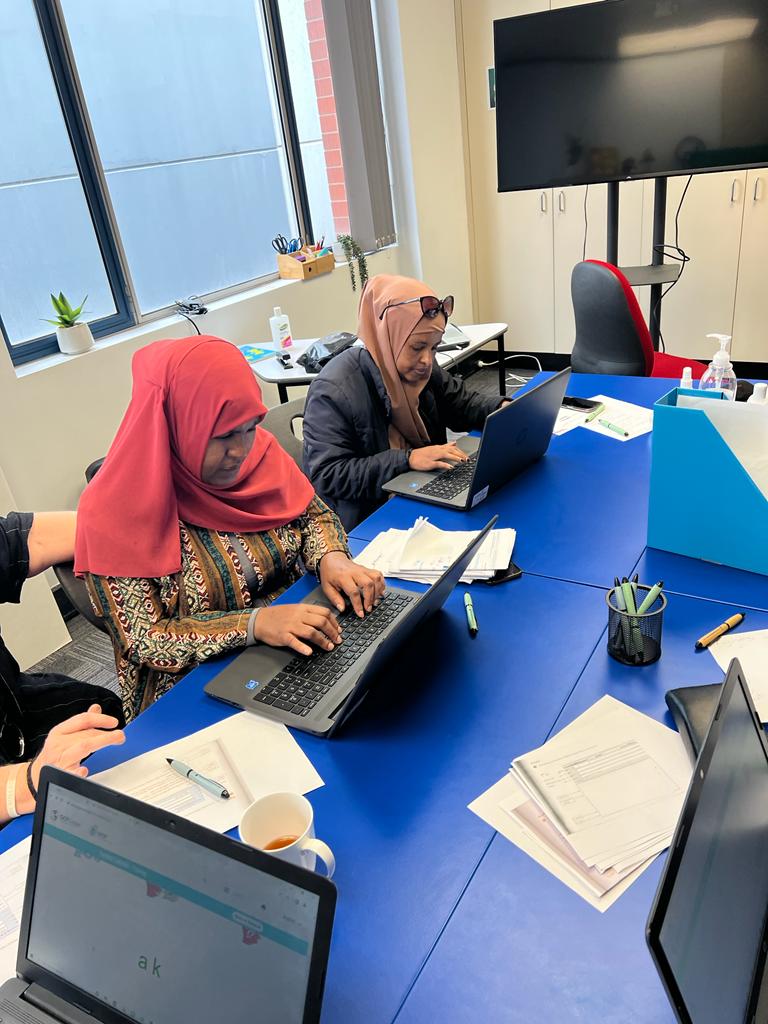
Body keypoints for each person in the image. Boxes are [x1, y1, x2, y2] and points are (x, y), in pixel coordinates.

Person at [75, 335, 385, 723]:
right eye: (222, 436)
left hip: (297, 640)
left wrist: (332, 557)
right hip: (195, 687)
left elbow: (314, 516)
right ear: (177, 424)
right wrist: (254, 625)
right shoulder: (113, 510)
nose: (241, 450)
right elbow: (144, 639)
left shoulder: (260, 453)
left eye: (250, 427)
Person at [302, 274, 506, 529]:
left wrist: (502, 409)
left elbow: (462, 404)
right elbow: (328, 475)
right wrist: (406, 460)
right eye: (417, 347)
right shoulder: (333, 391)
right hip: (367, 520)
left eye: (434, 348)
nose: (427, 361)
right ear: (388, 336)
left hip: (420, 495)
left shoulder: (421, 372)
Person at [0, 511, 125, 824]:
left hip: (11, 706)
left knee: (100, 712)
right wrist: (26, 784)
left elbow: (30, 539)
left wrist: (145, 522)